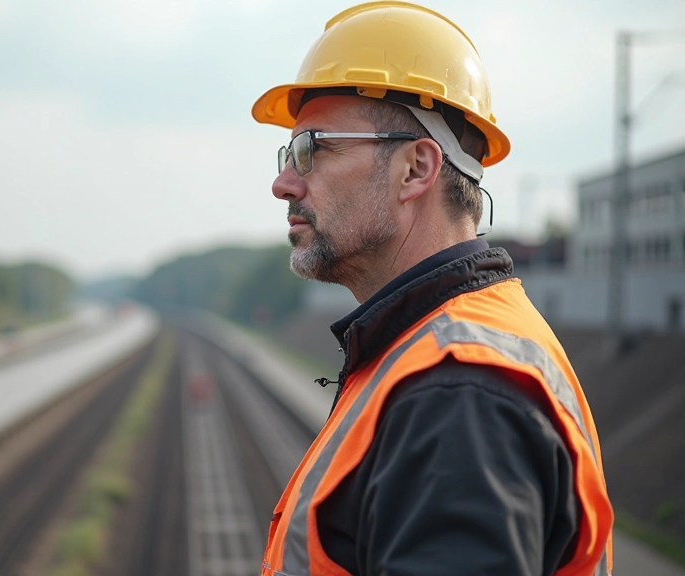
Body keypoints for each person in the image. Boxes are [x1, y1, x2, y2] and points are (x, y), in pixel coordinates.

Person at [251, 3, 614, 575]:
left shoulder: (459, 394)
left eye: (313, 148)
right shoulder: (426, 355)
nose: (283, 182)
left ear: (417, 169)